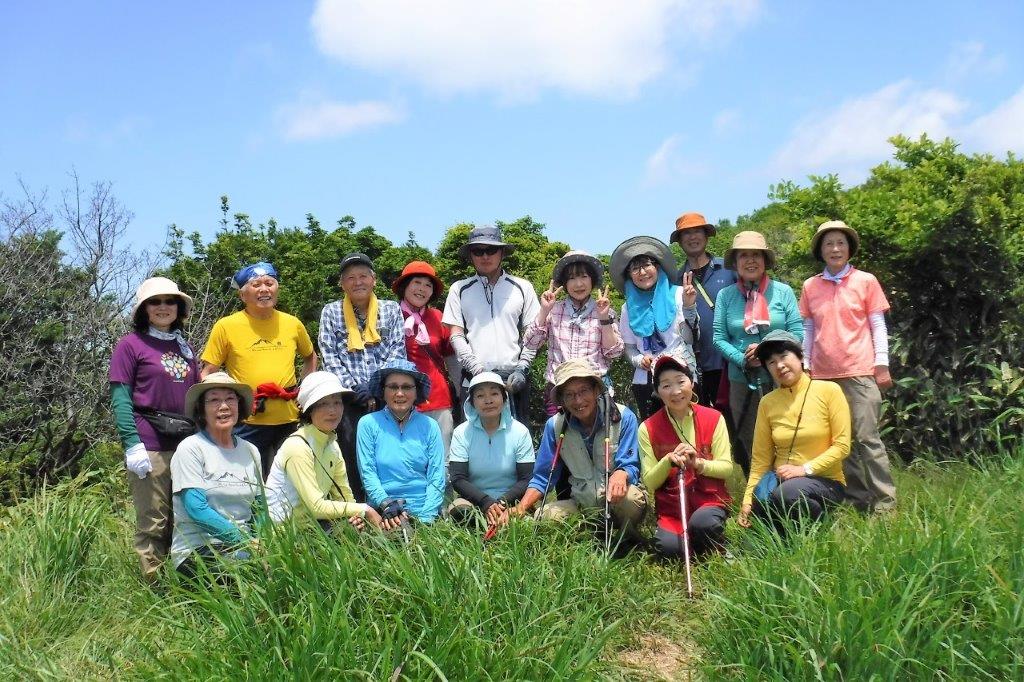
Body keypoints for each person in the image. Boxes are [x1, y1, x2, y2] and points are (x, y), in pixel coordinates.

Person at [800, 220, 896, 513]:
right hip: (823, 376)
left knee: (868, 438)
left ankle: (885, 504)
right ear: (820, 250)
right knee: (842, 442)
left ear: (849, 248)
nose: (835, 249)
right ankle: (858, 500)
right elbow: (808, 329)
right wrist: (806, 364)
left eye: (840, 242)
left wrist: (882, 364)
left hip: (860, 371)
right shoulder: (810, 285)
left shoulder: (865, 281)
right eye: (828, 244)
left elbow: (877, 325)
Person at [109, 277, 200, 579]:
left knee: (184, 517)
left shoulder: (185, 347)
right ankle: (154, 587)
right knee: (154, 521)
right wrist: (131, 443)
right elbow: (121, 398)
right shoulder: (130, 345)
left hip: (185, 444)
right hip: (150, 443)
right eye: (155, 302)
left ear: (179, 308)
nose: (163, 307)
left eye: (169, 301)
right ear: (144, 309)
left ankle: (185, 581)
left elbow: (197, 395)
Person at [201, 262, 317, 475]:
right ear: (242, 295)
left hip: (289, 417)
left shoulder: (292, 323)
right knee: (249, 481)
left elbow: (310, 356)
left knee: (291, 480)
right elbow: (209, 371)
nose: (264, 289)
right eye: (256, 285)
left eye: (269, 283)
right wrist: (212, 410)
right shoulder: (226, 326)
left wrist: (305, 391)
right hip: (246, 419)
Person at [514, 359, 646, 543]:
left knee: (630, 500)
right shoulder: (554, 426)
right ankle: (590, 538)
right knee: (544, 516)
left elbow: (631, 464)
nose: (578, 400)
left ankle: (627, 541)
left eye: (584, 391)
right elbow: (543, 477)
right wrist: (521, 508)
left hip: (618, 498)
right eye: (569, 395)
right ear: (562, 400)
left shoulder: (623, 417)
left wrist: (622, 473)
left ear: (596, 390)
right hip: (582, 503)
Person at [737, 330, 851, 533]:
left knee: (787, 494)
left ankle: (821, 530)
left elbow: (842, 446)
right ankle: (792, 541)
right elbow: (761, 459)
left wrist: (804, 470)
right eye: (771, 362)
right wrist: (747, 501)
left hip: (826, 482)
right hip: (781, 483)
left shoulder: (829, 391)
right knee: (759, 520)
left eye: (784, 356)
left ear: (800, 357)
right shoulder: (767, 403)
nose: (779, 365)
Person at [319, 252, 406, 502]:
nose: (358, 282)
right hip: (348, 398)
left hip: (385, 396)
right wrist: (354, 388)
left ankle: (390, 503)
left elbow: (397, 349)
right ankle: (356, 506)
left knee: (388, 452)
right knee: (351, 452)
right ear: (342, 284)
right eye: (350, 278)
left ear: (373, 279)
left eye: (363, 276)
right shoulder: (331, 312)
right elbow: (328, 354)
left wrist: (375, 385)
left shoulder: (391, 309)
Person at [712, 232, 802, 473]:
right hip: (742, 380)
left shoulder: (783, 291)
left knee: (788, 433)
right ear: (736, 262)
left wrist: (766, 351)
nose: (750, 260)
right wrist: (742, 358)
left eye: (756, 255)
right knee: (750, 437)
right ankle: (760, 490)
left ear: (765, 260)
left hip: (783, 376)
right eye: (744, 255)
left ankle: (791, 486)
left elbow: (797, 332)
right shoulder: (726, 296)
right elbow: (719, 338)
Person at [639, 352, 735, 559]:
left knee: (703, 524)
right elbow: (650, 481)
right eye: (666, 385)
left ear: (692, 382)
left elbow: (727, 468)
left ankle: (715, 544)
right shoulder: (647, 428)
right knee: (668, 550)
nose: (675, 391)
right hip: (672, 510)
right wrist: (667, 461)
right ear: (657, 391)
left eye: (681, 381)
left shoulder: (714, 418)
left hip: (709, 501)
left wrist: (699, 464)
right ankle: (692, 543)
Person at [170, 372, 266, 577]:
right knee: (240, 579)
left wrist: (263, 544)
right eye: (214, 400)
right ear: (201, 410)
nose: (224, 406)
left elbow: (260, 509)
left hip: (248, 548)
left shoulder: (251, 451)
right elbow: (196, 509)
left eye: (230, 399)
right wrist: (245, 543)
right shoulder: (191, 448)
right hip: (198, 548)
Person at [442, 225, 540, 421]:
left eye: (491, 250)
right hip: (473, 379)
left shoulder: (522, 287)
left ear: (502, 252)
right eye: (478, 251)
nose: (485, 256)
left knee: (516, 437)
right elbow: (456, 334)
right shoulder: (459, 289)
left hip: (513, 380)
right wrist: (478, 371)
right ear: (471, 255)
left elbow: (534, 333)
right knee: (472, 437)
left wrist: (522, 368)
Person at [264, 371, 383, 530]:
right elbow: (315, 506)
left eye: (337, 402)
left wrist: (356, 517)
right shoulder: (297, 446)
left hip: (315, 528)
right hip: (286, 534)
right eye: (323, 404)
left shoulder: (332, 444)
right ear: (309, 409)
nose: (332, 411)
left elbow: (344, 496)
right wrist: (364, 510)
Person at [523, 250, 623, 416]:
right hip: (559, 390)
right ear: (564, 283)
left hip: (595, 389)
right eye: (571, 278)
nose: (578, 284)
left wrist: (604, 319)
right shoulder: (554, 310)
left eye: (584, 276)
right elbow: (530, 343)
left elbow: (615, 353)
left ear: (592, 279)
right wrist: (544, 310)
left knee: (598, 433)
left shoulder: (606, 312)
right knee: (557, 432)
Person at [609, 236, 698, 420]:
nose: (642, 272)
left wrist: (689, 307)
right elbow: (629, 348)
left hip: (682, 377)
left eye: (646, 265)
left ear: (657, 267)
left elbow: (692, 338)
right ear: (629, 275)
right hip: (646, 382)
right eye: (635, 268)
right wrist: (639, 360)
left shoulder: (679, 294)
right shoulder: (627, 308)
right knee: (655, 433)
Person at [357, 359, 446, 527]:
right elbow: (367, 473)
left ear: (416, 392)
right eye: (393, 387)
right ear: (383, 391)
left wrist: (426, 518)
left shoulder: (430, 426)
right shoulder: (368, 424)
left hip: (424, 507)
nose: (399, 393)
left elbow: (437, 476)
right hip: (384, 509)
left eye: (406, 387)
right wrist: (386, 503)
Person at [448, 372, 535, 527]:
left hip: (511, 501)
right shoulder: (461, 433)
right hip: (474, 500)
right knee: (460, 511)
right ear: (472, 402)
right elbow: (458, 478)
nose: (488, 401)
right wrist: (485, 502)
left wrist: (501, 503)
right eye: (480, 396)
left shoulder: (520, 432)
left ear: (504, 398)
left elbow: (526, 478)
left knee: (526, 524)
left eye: (494, 393)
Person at [669, 213, 737, 408]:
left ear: (706, 236)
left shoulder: (729, 269)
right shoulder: (676, 281)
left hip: (732, 361)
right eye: (686, 233)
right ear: (679, 241)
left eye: (697, 231)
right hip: (695, 366)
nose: (692, 237)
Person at [392, 260, 456, 458]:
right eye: (417, 283)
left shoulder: (438, 317)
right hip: (401, 400)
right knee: (407, 458)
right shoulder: (390, 315)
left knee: (442, 457)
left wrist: (462, 391)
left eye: (428, 285)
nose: (422, 289)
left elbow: (451, 356)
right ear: (405, 286)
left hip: (438, 398)